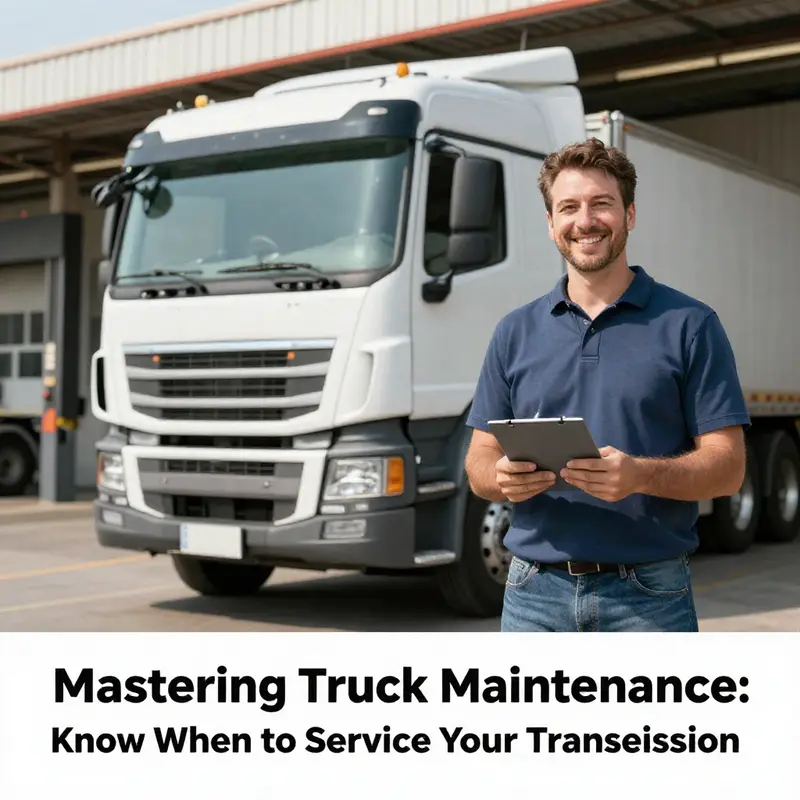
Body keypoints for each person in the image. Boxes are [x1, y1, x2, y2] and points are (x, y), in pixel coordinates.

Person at [464, 137, 750, 633]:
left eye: (602, 204)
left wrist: (641, 475)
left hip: (649, 599)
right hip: (532, 597)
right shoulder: (514, 332)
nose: (585, 221)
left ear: (630, 215)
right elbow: (478, 463)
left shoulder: (691, 324)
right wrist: (503, 477)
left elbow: (727, 469)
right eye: (568, 207)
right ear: (551, 224)